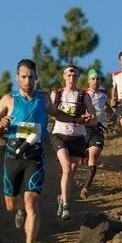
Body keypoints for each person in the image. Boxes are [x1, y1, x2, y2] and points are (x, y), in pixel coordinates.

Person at [0, 59, 91, 243]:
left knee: (33, 203)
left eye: (31, 77)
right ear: (17, 78)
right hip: (13, 157)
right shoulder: (8, 100)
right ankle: (19, 210)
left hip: (35, 156)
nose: (27, 80)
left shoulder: (43, 99)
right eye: (23, 77)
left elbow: (57, 114)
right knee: (11, 205)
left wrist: (77, 120)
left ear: (36, 77)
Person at [50, 65, 96, 220]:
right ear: (64, 76)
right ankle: (66, 207)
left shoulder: (84, 96)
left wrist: (88, 119)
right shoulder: (56, 94)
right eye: (69, 75)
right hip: (60, 135)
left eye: (75, 75)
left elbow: (93, 117)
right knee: (67, 170)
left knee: (71, 173)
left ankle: (62, 198)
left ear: (78, 77)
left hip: (78, 138)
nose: (72, 78)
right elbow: (52, 115)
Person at [80, 68, 114, 199]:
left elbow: (106, 106)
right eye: (93, 79)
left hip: (97, 130)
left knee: (93, 157)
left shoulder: (104, 93)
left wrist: (113, 115)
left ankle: (86, 188)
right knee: (80, 160)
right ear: (89, 81)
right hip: (82, 129)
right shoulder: (82, 93)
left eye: (98, 78)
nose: (96, 81)